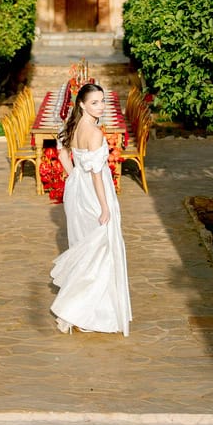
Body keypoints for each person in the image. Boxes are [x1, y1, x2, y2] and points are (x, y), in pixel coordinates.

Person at [50, 82, 132, 336]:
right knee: (99, 250)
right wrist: (105, 207)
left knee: (84, 246)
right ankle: (81, 309)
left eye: (102, 101)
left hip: (76, 190)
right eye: (94, 102)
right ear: (82, 104)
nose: (101, 106)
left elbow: (61, 153)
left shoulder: (71, 125)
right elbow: (97, 175)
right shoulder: (95, 133)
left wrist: (74, 177)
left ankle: (82, 306)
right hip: (94, 195)